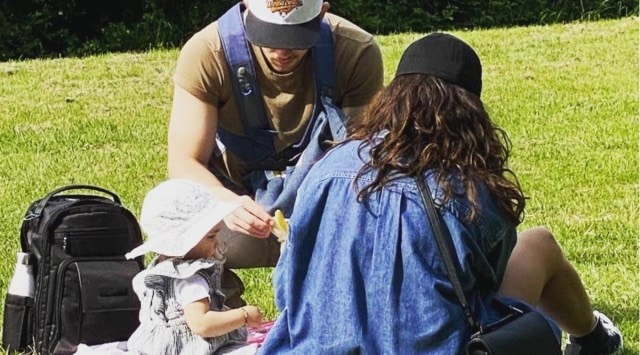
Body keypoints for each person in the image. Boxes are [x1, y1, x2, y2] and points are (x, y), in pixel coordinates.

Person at [260, 33, 622, 354]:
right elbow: (486, 283)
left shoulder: (328, 166)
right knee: (539, 244)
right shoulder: (465, 186)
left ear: (392, 97)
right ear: (469, 111)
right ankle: (593, 339)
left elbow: (287, 286)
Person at [166, 0, 384, 307]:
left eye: (296, 38)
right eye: (268, 35)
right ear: (245, 8)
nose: (282, 50)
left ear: (322, 12)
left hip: (325, 204)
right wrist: (227, 202)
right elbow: (183, 162)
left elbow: (364, 159)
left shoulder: (355, 50)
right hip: (236, 206)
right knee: (175, 221)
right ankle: (219, 324)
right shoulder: (207, 52)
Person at [124, 179, 265, 354]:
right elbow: (201, 324)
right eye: (211, 237)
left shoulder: (157, 269)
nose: (217, 243)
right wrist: (244, 315)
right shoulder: (190, 278)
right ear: (187, 240)